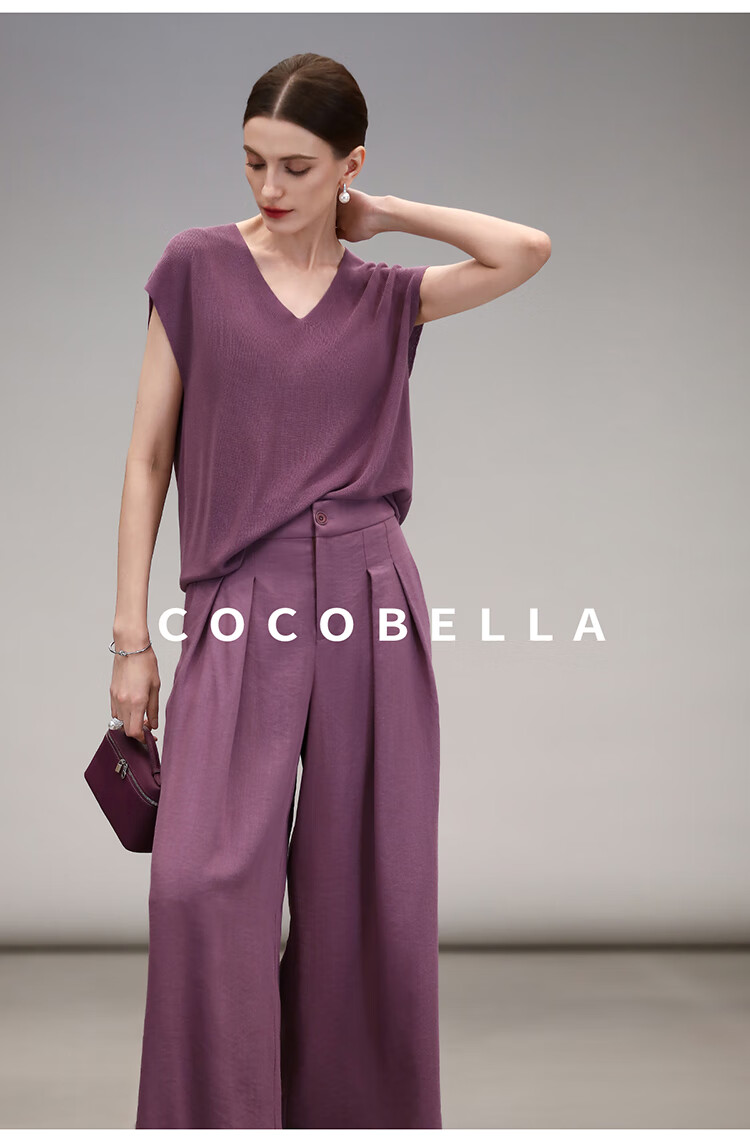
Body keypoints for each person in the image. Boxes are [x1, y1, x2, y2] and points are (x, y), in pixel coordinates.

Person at [110, 51, 550, 1131]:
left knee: (367, 895)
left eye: (298, 167)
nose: (270, 187)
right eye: (253, 161)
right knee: (199, 885)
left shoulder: (389, 297)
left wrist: (385, 216)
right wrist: (131, 640)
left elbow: (525, 249)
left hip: (369, 590)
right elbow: (148, 458)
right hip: (240, 597)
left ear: (350, 165)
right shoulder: (196, 268)